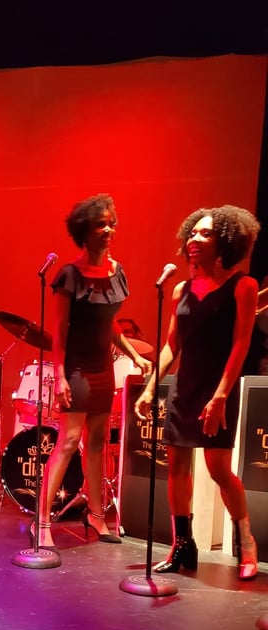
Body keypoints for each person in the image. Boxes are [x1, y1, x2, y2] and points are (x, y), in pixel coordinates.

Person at [135, 204, 261, 579]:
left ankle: (246, 542)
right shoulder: (180, 290)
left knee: (219, 469)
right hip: (186, 387)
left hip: (218, 387)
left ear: (225, 240)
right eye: (193, 232)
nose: (194, 239)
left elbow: (241, 345)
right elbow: (172, 345)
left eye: (205, 233)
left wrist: (221, 395)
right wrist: (150, 386)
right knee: (176, 466)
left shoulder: (244, 285)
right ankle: (182, 547)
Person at [36, 194, 152, 548]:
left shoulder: (117, 272)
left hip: (103, 368)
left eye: (111, 223)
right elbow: (60, 332)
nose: (108, 230)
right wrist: (58, 375)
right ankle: (41, 521)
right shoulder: (69, 275)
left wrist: (134, 354)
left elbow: (110, 323)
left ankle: (98, 517)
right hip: (77, 368)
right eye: (101, 224)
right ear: (83, 231)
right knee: (69, 441)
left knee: (98, 444)